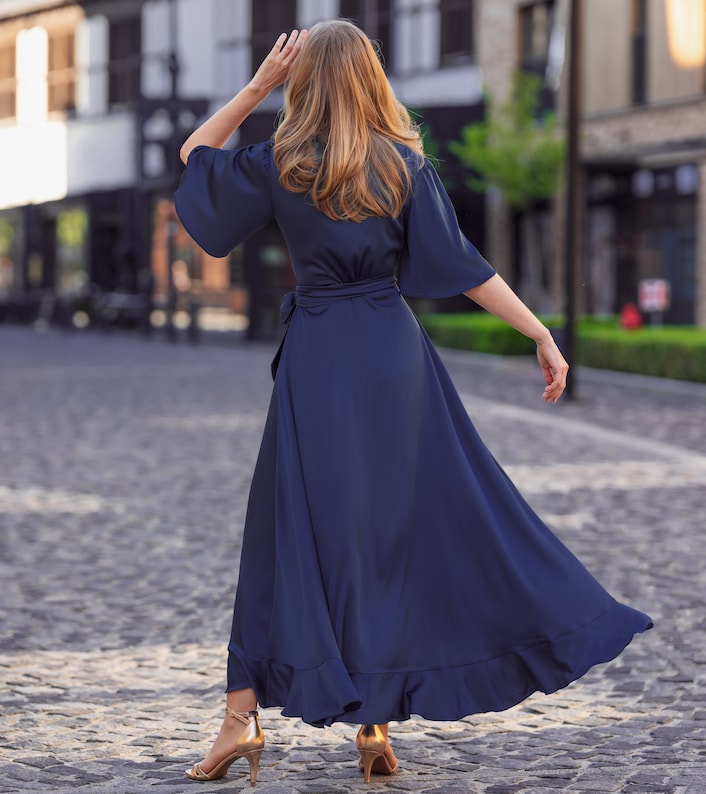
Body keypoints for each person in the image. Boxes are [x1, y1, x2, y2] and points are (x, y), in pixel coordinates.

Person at [174, 21, 652, 786]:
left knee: (286, 530)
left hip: (319, 361)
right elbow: (465, 267)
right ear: (372, 78)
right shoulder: (402, 164)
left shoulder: (283, 163)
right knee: (390, 535)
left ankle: (240, 719)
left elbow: (195, 156)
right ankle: (375, 724)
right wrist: (539, 332)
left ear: (304, 83)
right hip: (393, 360)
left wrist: (259, 86)